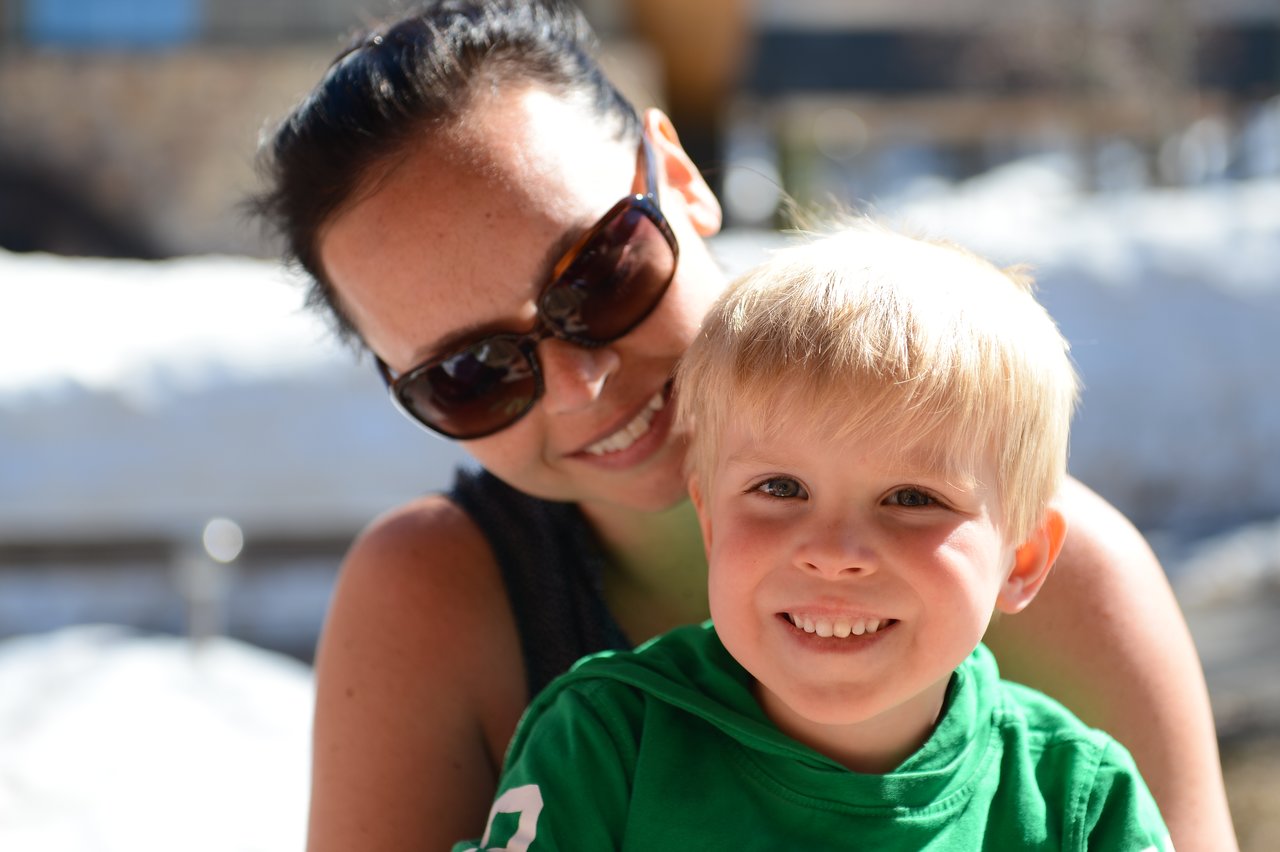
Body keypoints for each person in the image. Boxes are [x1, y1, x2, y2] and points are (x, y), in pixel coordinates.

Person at [252, 2, 1235, 849]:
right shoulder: (435, 601)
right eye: (469, 374)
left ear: (677, 178)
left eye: (598, 274)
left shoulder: (1070, 584)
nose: (578, 385)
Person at [452, 222, 1173, 849]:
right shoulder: (607, 746)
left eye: (912, 498)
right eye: (779, 489)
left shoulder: (1077, 801)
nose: (832, 552)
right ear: (710, 520)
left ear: (1022, 557)